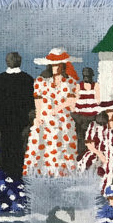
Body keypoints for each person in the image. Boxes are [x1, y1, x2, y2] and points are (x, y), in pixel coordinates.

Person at [23, 47, 80, 177]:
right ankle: (40, 175)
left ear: (63, 66)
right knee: (42, 146)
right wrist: (38, 116)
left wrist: (58, 108)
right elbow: (38, 100)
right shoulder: (41, 81)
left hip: (62, 120)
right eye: (54, 65)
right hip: (45, 119)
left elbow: (72, 102)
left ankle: (62, 175)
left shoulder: (70, 82)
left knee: (62, 148)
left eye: (59, 65)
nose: (56, 67)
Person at [0, 52, 34, 180]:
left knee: (8, 148)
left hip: (6, 122)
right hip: (18, 122)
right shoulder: (28, 80)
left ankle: (9, 176)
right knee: (16, 149)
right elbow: (31, 104)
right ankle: (16, 176)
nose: (11, 60)